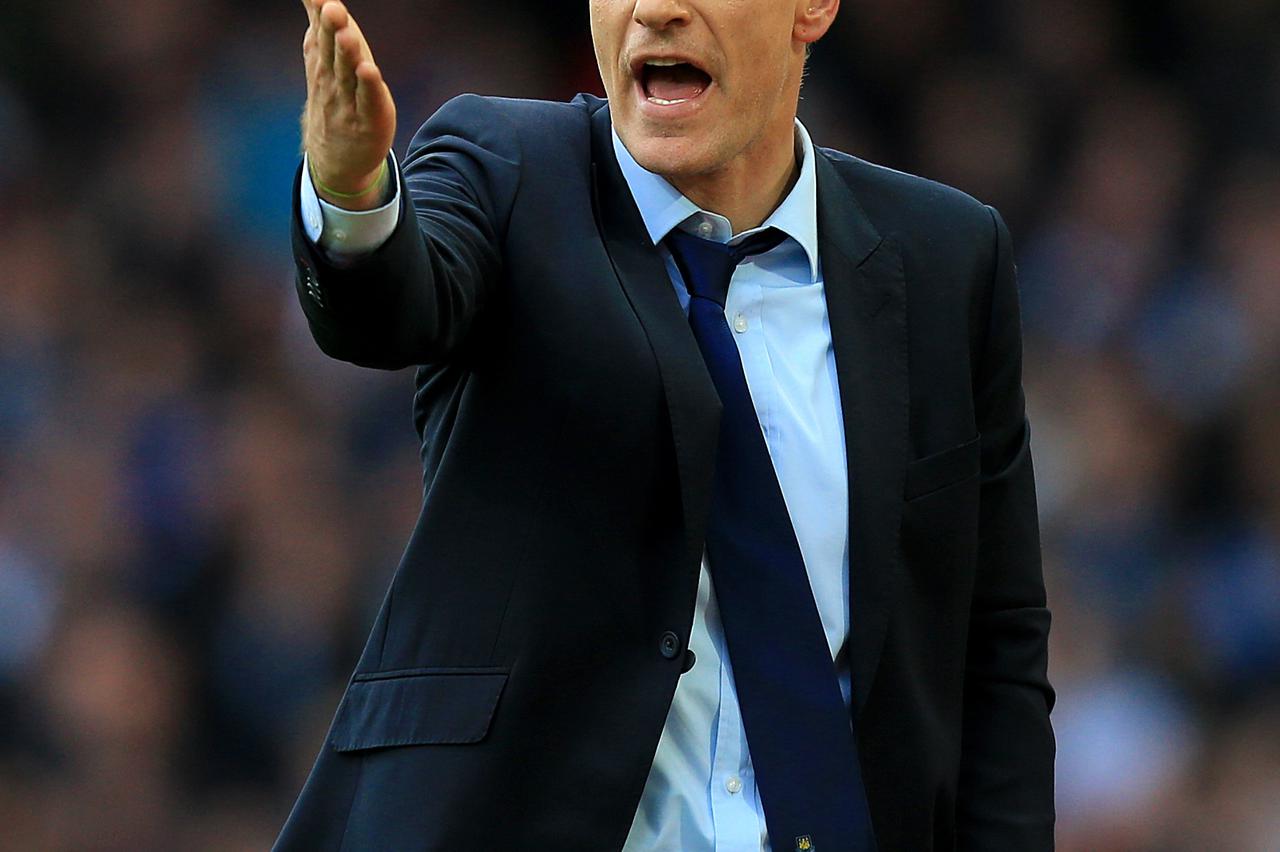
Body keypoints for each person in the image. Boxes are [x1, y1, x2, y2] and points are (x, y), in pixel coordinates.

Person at [278, 0, 1055, 848]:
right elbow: (391, 305)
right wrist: (354, 194)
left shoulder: (946, 258)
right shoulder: (505, 167)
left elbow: (996, 648)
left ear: (813, 9)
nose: (653, 9)